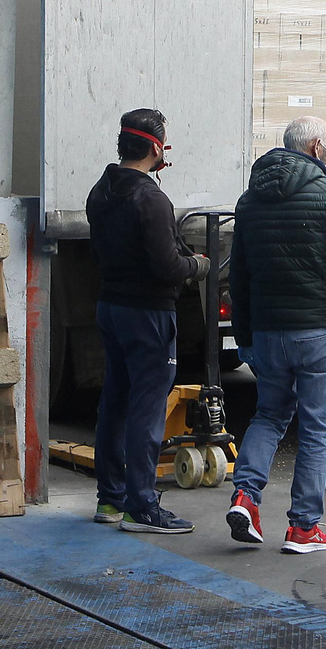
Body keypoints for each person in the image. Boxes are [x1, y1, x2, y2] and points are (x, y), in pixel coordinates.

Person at [225, 115, 326, 554]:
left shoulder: (249, 201)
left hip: (268, 333)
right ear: (317, 147)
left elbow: (238, 277)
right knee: (317, 428)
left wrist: (244, 335)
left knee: (269, 415)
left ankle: (245, 496)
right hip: (317, 335)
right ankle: (303, 527)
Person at [85, 107, 209, 533]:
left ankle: (111, 500)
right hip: (150, 315)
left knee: (115, 402)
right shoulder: (152, 199)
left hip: (112, 307)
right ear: (157, 149)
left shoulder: (100, 191)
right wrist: (198, 266)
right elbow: (167, 266)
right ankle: (143, 506)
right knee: (147, 408)